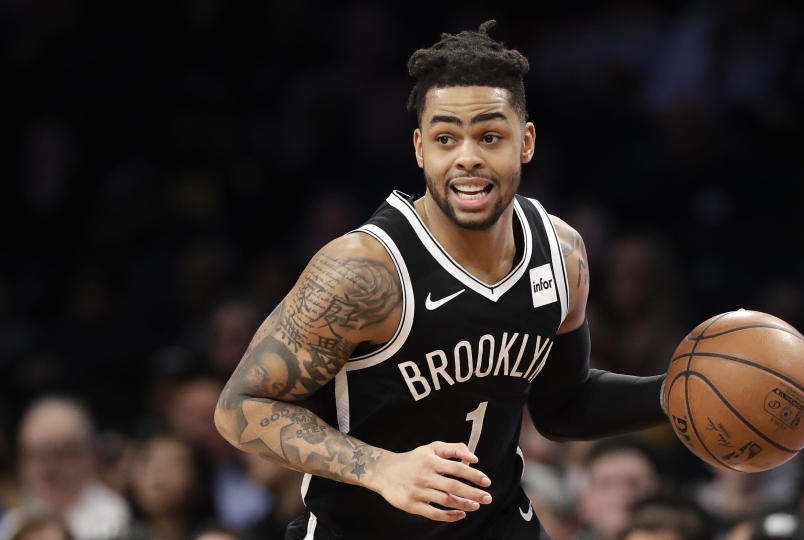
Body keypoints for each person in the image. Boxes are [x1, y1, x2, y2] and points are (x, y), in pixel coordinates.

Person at [214, 20, 666, 540]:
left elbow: (564, 407)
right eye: (446, 137)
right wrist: (380, 467)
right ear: (419, 148)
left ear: (527, 142)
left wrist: (676, 395)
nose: (467, 157)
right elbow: (240, 406)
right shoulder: (364, 270)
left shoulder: (562, 254)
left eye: (490, 136)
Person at [0, 397, 131, 540]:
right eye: (34, 454)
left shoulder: (115, 520)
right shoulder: (12, 521)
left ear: (88, 456)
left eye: (59, 454)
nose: (47, 468)